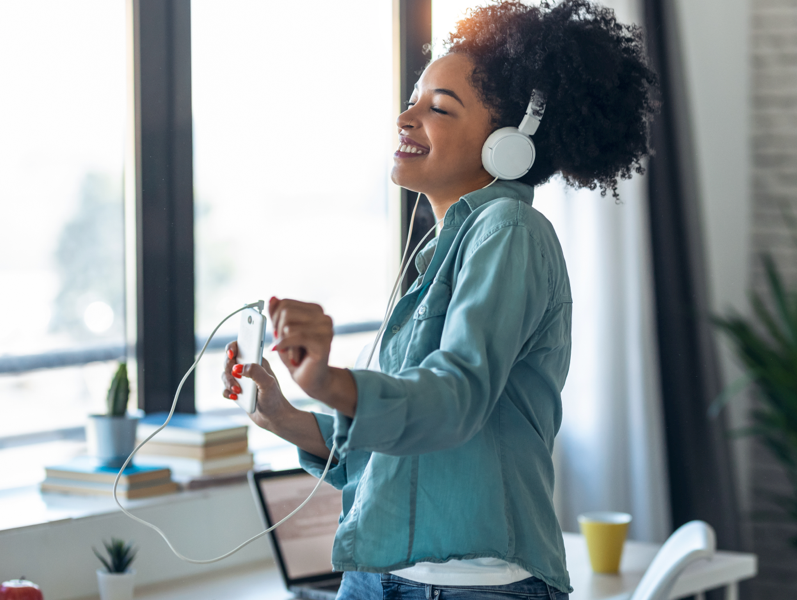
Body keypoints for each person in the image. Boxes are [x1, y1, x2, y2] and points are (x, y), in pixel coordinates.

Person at [221, 1, 659, 598]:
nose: (405, 118)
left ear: (508, 144)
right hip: (379, 578)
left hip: (471, 587)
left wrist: (329, 380)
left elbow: (455, 399)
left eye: (438, 108)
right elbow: (403, 458)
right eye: (413, 99)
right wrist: (286, 416)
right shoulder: (440, 253)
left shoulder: (510, 231)